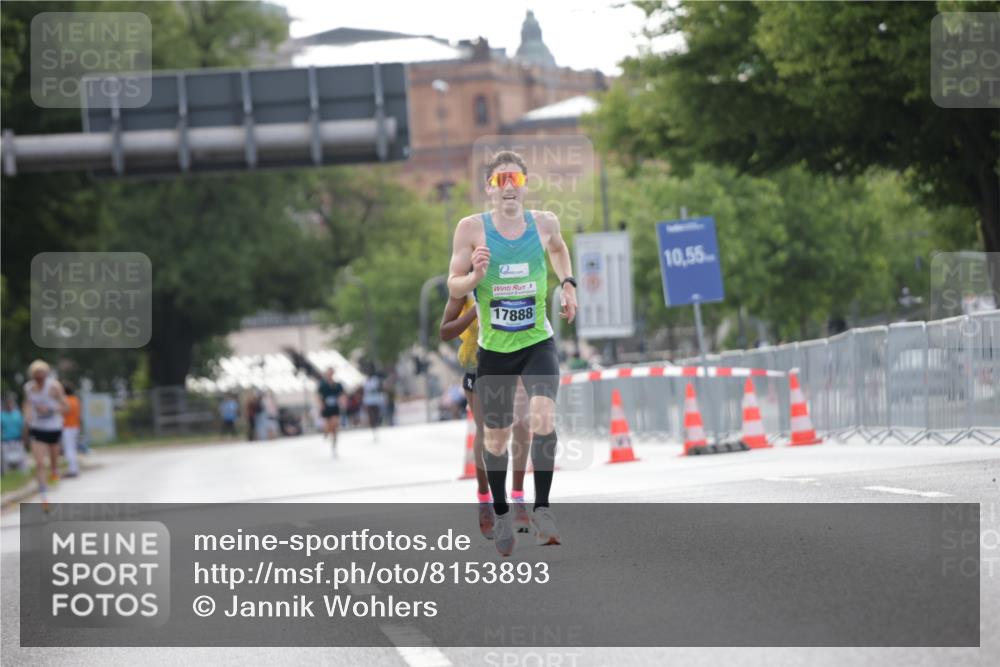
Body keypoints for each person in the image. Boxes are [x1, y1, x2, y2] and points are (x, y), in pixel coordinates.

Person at [447, 149, 577, 556]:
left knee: (542, 417)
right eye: (500, 180)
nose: (507, 187)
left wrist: (568, 283)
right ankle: (501, 512)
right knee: (497, 439)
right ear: (489, 188)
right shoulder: (471, 229)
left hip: (537, 340)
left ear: (524, 185)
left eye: (514, 180)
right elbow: (453, 287)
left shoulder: (544, 223)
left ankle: (542, 510)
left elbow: (558, 248)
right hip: (495, 350)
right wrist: (476, 276)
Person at [440, 294, 533, 540]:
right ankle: (485, 499)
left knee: (522, 425)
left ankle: (519, 497)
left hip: (516, 359)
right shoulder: (464, 290)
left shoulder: (513, 276)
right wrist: (476, 310)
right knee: (488, 434)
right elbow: (445, 332)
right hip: (477, 364)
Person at [22, 360, 69, 512]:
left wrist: (49, 409)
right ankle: (44, 496)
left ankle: (55, 471)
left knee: (54, 463)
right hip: (37, 429)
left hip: (54, 428)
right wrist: (27, 422)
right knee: (40, 463)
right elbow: (28, 406)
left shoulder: (54, 386)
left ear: (46, 375)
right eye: (36, 377)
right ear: (32, 376)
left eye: (42, 376)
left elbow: (66, 407)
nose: (39, 379)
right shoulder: (29, 388)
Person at [317, 368, 345, 456]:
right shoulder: (322, 384)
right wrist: (321, 405)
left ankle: (334, 445)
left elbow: (342, 395)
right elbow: (318, 396)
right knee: (328, 425)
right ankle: (326, 431)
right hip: (327, 408)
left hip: (335, 407)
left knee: (335, 425)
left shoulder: (337, 384)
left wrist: (342, 402)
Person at [1, 394, 26, 474]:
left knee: (21, 458)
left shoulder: (17, 414)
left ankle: (23, 472)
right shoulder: (2, 415)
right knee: (5, 459)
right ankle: (6, 472)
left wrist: (24, 437)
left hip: (17, 439)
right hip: (6, 440)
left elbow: (22, 426)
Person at [61, 384, 82, 477]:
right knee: (72, 448)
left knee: (68, 449)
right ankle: (74, 468)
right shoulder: (76, 400)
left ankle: (72, 469)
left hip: (67, 427)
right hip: (75, 426)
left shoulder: (66, 401)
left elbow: (64, 412)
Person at [362, 371, 385, 441]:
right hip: (368, 400)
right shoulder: (365, 381)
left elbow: (380, 388)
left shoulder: (375, 380)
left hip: (375, 399)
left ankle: (376, 425)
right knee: (371, 416)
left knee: (376, 415)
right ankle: (373, 428)